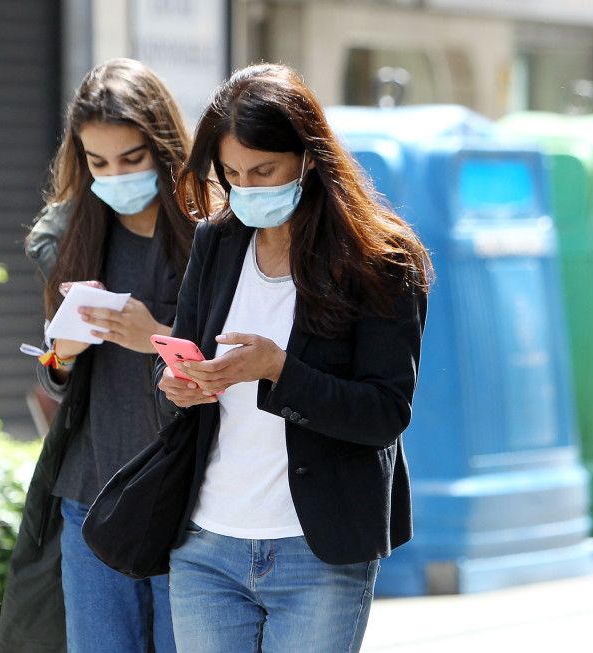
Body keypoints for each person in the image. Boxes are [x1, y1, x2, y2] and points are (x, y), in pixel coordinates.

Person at [156, 63, 432, 652]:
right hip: (207, 542)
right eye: (231, 174)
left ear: (309, 157)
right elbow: (184, 348)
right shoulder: (217, 240)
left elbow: (385, 412)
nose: (247, 189)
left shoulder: (380, 258)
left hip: (317, 549)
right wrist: (179, 381)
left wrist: (280, 370)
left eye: (264, 171)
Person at [0, 58, 194, 652]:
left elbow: (232, 366)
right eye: (97, 161)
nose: (115, 175)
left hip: (186, 504)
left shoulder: (210, 232)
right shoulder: (70, 236)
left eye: (132, 159)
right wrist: (64, 354)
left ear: (162, 148)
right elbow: (53, 377)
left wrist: (155, 332)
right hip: (91, 501)